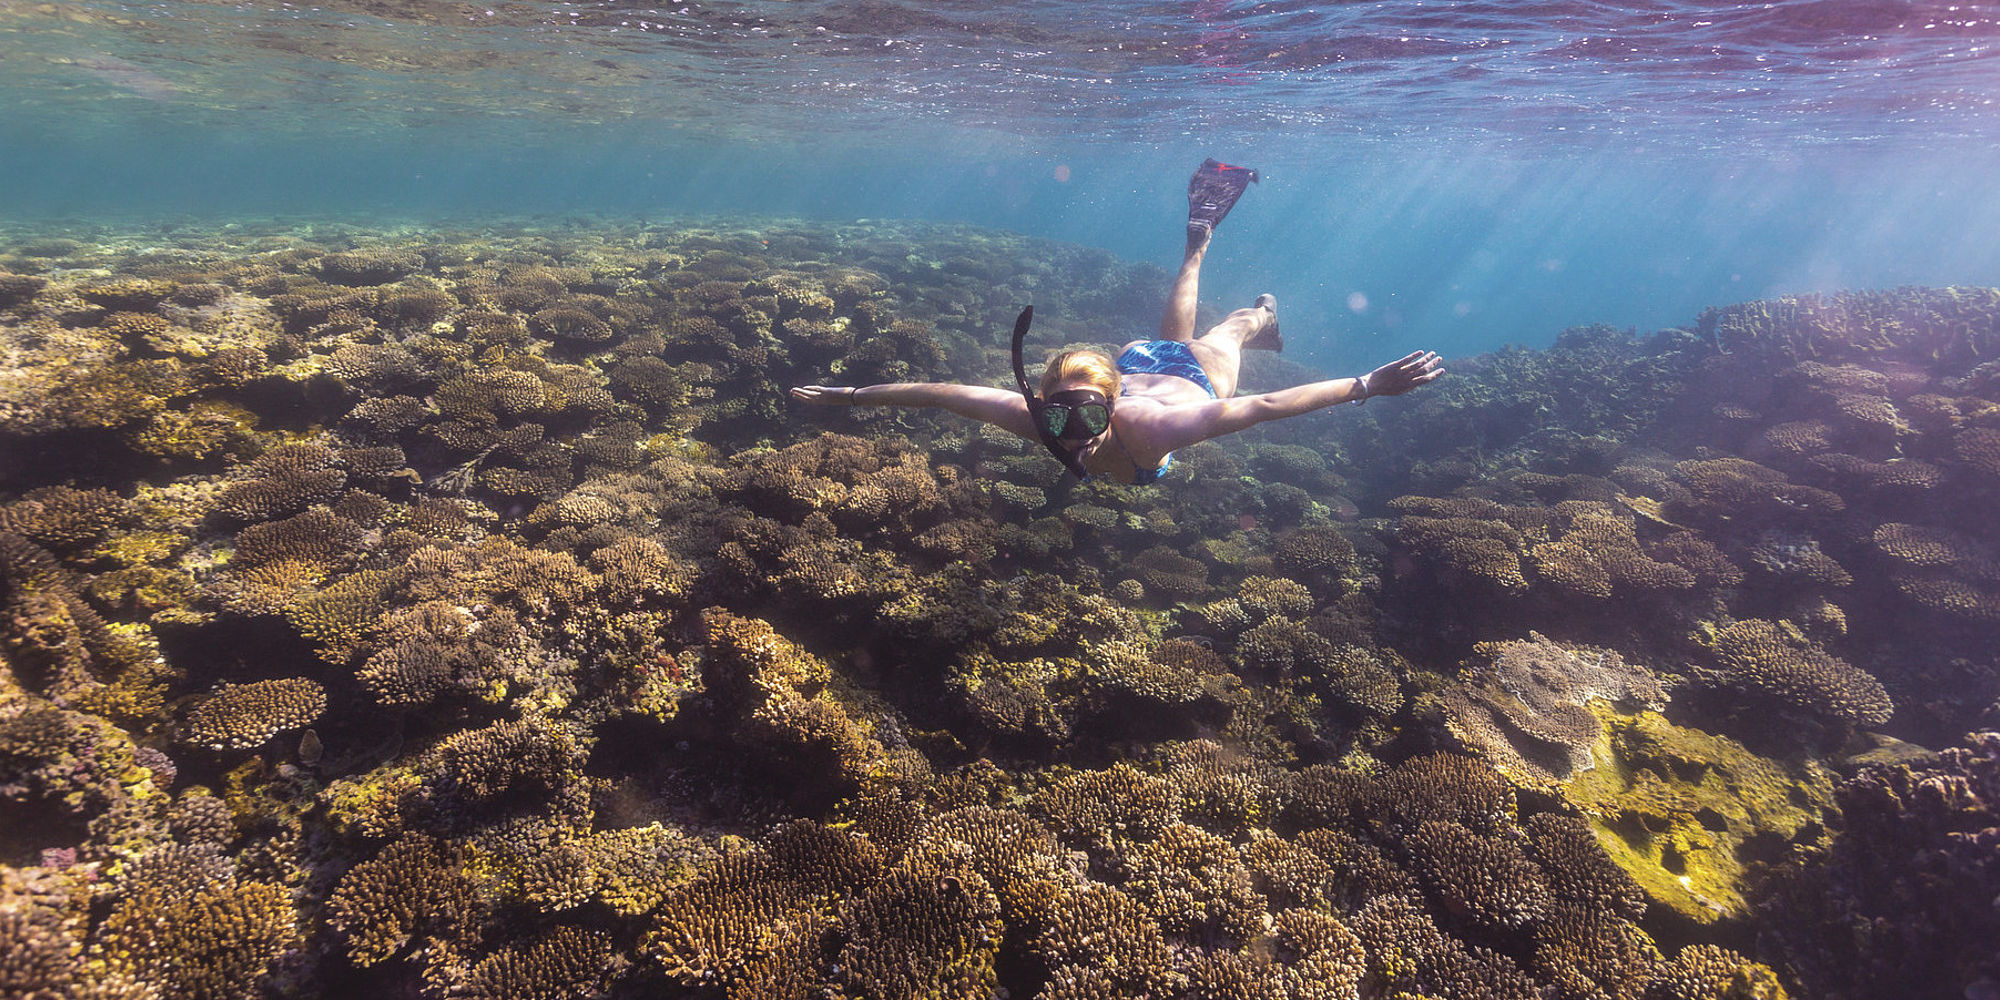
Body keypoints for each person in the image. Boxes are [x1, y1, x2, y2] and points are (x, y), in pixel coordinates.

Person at [790, 159, 1444, 485]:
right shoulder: (1043, 416)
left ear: (1109, 407)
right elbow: (944, 396)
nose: (1073, 438)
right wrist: (849, 395)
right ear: (1042, 405)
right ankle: (1198, 244)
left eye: (1087, 421)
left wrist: (1366, 385)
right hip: (1136, 362)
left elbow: (1269, 404)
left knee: (1224, 334)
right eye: (1060, 421)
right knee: (1174, 333)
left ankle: (1261, 314)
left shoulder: (1163, 427)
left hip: (1187, 377)